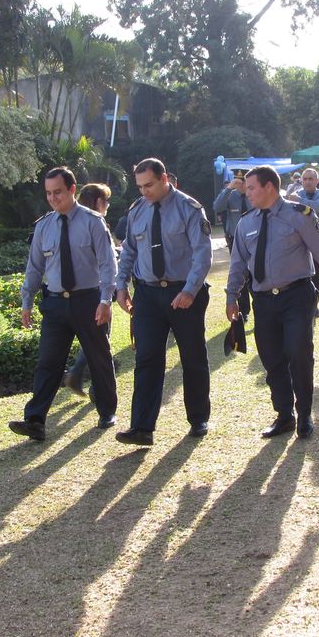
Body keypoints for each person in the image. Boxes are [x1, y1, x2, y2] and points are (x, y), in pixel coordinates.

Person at [226, 165, 319, 440]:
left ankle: (304, 413)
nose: (247, 193)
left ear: (269, 187)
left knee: (298, 352)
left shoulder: (299, 215)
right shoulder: (246, 223)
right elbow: (238, 264)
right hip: (262, 300)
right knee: (271, 358)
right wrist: (231, 296)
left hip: (296, 295)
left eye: (251, 188)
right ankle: (284, 416)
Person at [9, 167, 118, 441]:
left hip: (88, 301)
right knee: (48, 363)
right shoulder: (43, 226)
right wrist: (26, 301)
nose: (52, 198)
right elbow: (34, 267)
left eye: (57, 192)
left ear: (72, 189)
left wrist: (106, 300)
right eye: (48, 193)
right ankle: (35, 420)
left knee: (98, 358)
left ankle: (107, 411)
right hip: (56, 304)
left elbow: (108, 264)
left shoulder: (93, 222)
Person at [115, 158, 213, 446]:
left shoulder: (189, 208)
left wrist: (190, 291)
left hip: (184, 292)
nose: (144, 191)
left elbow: (202, 254)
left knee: (192, 357)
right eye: (140, 186)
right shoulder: (137, 211)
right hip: (147, 295)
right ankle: (142, 427)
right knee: (146, 359)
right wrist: (120, 286)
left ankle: (198, 418)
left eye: (149, 185)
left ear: (164, 179)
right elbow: (128, 252)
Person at [63, 182, 114, 397]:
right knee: (101, 340)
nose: (108, 205)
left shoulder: (72, 222)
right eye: (106, 201)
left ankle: (80, 377)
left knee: (95, 339)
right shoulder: (95, 223)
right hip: (97, 290)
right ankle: (89, 383)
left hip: (79, 292)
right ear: (98, 201)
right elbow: (105, 261)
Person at [285, 168, 319, 318]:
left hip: (317, 242)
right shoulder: (295, 194)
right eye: (305, 179)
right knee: (299, 277)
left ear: (317, 181)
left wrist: (298, 201)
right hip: (298, 242)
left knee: (316, 277)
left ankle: (314, 307)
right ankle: (301, 308)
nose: (307, 182)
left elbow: (318, 207)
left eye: (311, 179)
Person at [212, 174, 252, 318]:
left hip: (254, 239)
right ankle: (244, 310)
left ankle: (260, 308)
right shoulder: (230, 195)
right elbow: (217, 206)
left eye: (243, 182)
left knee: (255, 273)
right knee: (239, 272)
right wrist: (229, 188)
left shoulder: (254, 195)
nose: (240, 185)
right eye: (238, 182)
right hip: (235, 239)